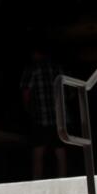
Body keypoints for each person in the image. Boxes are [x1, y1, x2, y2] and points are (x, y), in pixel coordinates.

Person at [20, 45, 67, 180]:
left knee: (38, 149)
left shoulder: (32, 69)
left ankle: (37, 180)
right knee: (60, 149)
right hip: (59, 115)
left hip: (40, 115)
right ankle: (63, 178)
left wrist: (27, 109)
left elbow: (26, 92)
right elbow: (67, 90)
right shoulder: (57, 68)